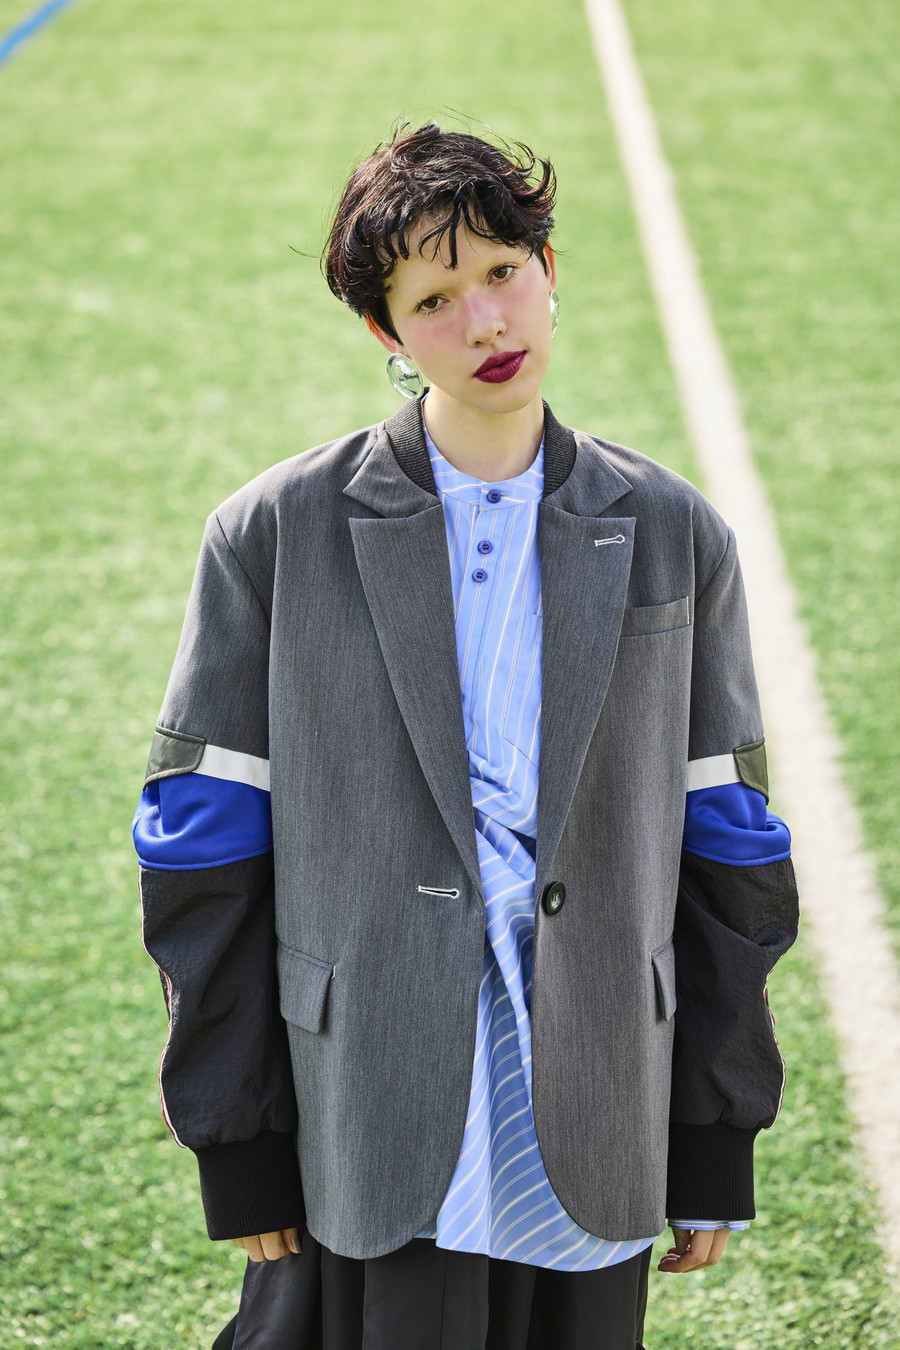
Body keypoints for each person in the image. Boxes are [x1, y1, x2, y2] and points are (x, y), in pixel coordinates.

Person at [134, 122, 800, 1350]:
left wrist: (713, 1134)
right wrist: (240, 1139)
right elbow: (200, 847)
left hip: (595, 1094)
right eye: (433, 300)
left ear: (550, 269)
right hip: (370, 1096)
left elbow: (729, 843)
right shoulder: (272, 533)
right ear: (385, 335)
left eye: (502, 272)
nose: (486, 321)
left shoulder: (675, 532)